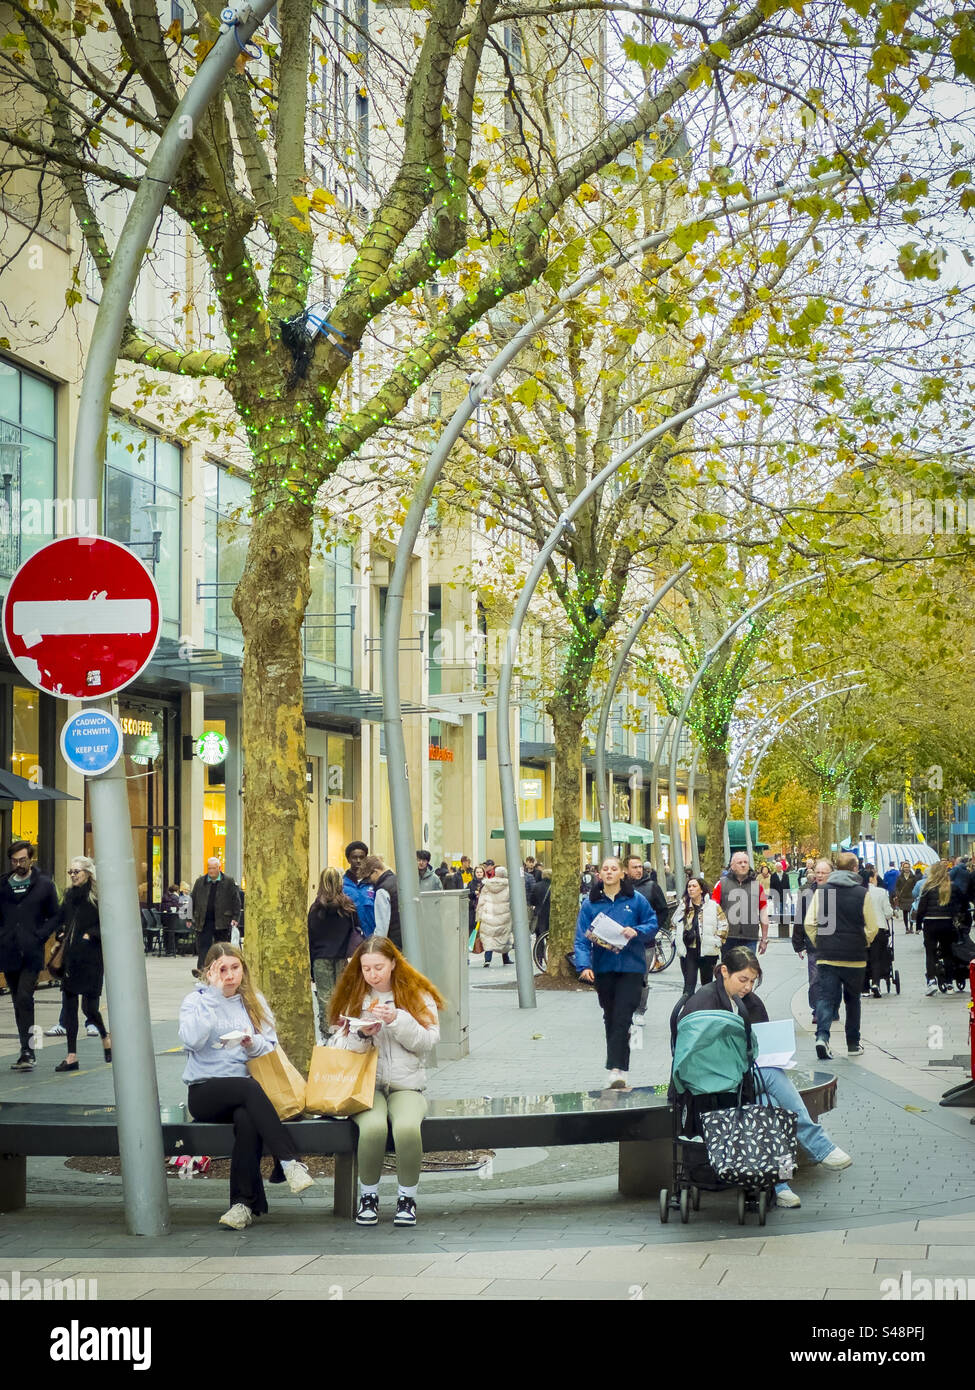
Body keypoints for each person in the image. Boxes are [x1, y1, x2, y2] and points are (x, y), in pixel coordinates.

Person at [678, 947, 852, 1209]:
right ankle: (816, 1148)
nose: (748, 987)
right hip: (709, 1085)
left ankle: (779, 1183)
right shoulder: (703, 1003)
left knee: (769, 1101)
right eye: (743, 980)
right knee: (771, 1077)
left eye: (752, 981)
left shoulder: (751, 1003)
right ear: (724, 971)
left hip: (741, 1083)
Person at [178, 943, 316, 1229]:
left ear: (243, 968)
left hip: (243, 1095)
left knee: (246, 1118)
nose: (229, 975)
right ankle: (289, 1161)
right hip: (205, 1091)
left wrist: (251, 1042)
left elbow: (269, 1045)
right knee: (249, 1089)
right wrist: (214, 996)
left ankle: (243, 1206)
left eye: (235, 968)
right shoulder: (196, 1001)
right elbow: (192, 1040)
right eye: (222, 969)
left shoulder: (253, 1001)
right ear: (208, 972)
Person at [328, 937, 445, 1227]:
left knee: (406, 1128)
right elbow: (337, 1048)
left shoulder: (415, 994)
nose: (372, 974)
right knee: (373, 1127)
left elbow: (428, 1041)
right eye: (366, 968)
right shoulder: (353, 997)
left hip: (407, 1084)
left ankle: (407, 1198)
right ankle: (368, 1197)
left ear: (393, 963)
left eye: (378, 967)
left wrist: (397, 1020)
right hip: (366, 1085)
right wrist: (362, 1034)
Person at [574, 855, 656, 1089]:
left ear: (622, 873)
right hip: (604, 968)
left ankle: (617, 1069)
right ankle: (618, 1065)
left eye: (614, 869)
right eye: (605, 869)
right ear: (600, 874)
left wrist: (636, 931)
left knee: (622, 1015)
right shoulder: (590, 904)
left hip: (631, 968)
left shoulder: (636, 900)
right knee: (611, 1017)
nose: (609, 873)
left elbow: (653, 923)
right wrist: (584, 966)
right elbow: (581, 938)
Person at [804, 851, 881, 1060]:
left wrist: (820, 943)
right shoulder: (861, 893)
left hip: (827, 955)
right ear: (856, 869)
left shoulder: (822, 892)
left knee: (826, 998)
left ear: (836, 869)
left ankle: (822, 1037)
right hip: (854, 957)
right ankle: (853, 1043)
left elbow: (809, 923)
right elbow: (872, 927)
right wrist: (862, 941)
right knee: (853, 999)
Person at [0, 840, 59, 1071]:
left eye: (22, 860)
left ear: (31, 858)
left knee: (25, 998)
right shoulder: (3, 884)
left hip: (32, 951)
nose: (18, 864)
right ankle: (26, 1049)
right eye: (14, 861)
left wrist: (41, 935)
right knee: (17, 1000)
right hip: (8, 950)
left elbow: (55, 915)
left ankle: (30, 1049)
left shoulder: (43, 884)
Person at [52, 857, 111, 1072]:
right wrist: (59, 933)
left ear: (88, 873)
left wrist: (90, 935)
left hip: (91, 959)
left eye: (77, 871)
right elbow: (60, 919)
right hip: (71, 958)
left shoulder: (97, 896)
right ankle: (71, 1055)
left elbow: (107, 923)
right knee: (69, 1007)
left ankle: (105, 1036)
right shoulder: (69, 896)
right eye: (71, 872)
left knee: (89, 1008)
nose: (73, 875)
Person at [308, 867, 362, 1037]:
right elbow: (356, 930)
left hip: (320, 957)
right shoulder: (347, 906)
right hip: (342, 956)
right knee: (343, 994)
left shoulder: (316, 908)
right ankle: (344, 1027)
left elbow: (310, 938)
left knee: (325, 997)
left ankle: (327, 1030)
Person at [626, 854, 671, 1027]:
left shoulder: (651, 887)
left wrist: (652, 929)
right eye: (634, 867)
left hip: (645, 942)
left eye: (640, 867)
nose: (638, 870)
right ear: (626, 869)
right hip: (622, 942)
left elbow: (663, 910)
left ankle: (639, 1010)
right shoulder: (620, 887)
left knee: (642, 977)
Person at [916, 859, 971, 996]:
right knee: (948, 953)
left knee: (930, 953)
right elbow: (964, 903)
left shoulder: (927, 887)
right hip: (947, 923)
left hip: (930, 923)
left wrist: (918, 925)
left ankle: (931, 982)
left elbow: (921, 909)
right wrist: (961, 915)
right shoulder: (953, 887)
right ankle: (949, 983)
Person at [792, 858, 832, 1023]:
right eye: (818, 872)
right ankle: (817, 1010)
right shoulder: (807, 894)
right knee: (815, 978)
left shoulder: (838, 893)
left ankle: (831, 1007)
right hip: (813, 943)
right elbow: (800, 918)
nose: (820, 875)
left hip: (835, 944)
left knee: (832, 979)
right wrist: (798, 943)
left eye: (824, 872)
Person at [673, 875, 725, 996]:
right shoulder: (683, 907)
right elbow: (673, 924)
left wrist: (717, 941)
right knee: (688, 987)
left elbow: (724, 924)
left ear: (701, 889)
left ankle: (705, 1010)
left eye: (694, 886)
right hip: (689, 951)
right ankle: (688, 1011)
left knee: (707, 986)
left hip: (708, 951)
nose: (691, 889)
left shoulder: (713, 906)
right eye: (689, 886)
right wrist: (674, 940)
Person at [712, 851, 769, 956]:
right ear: (732, 866)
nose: (743, 865)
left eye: (746, 862)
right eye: (740, 862)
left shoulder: (757, 886)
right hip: (727, 937)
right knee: (729, 969)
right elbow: (712, 910)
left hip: (750, 937)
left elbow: (763, 912)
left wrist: (764, 939)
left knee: (748, 970)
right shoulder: (721, 884)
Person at [191, 858, 242, 971]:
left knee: (221, 947)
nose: (211, 871)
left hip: (222, 921)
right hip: (203, 921)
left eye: (214, 868)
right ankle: (202, 971)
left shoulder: (229, 881)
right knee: (204, 948)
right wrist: (190, 918)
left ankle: (221, 969)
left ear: (219, 868)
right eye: (209, 868)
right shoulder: (200, 882)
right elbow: (192, 899)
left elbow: (236, 902)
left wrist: (235, 918)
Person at [864, 866, 896, 997]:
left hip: (862, 930)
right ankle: (876, 983)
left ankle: (864, 987)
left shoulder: (858, 892)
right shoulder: (881, 892)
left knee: (863, 957)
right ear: (871, 879)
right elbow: (888, 913)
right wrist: (892, 913)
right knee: (876, 957)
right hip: (879, 928)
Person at [476, 864, 513, 966]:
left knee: (489, 937)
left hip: (489, 915)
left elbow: (481, 901)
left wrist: (479, 914)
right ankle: (505, 958)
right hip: (504, 916)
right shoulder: (508, 886)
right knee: (504, 937)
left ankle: (487, 960)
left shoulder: (487, 885)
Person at [362, 855, 401, 950]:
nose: (369, 881)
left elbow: (382, 928)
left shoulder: (382, 890)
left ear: (376, 871)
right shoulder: (398, 881)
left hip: (393, 944)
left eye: (368, 877)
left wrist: (375, 948)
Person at [342, 842, 376, 937]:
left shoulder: (373, 883)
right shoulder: (342, 885)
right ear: (348, 859)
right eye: (354, 857)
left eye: (362, 857)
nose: (358, 861)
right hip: (350, 940)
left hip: (372, 938)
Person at [892, 862, 918, 933]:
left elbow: (916, 887)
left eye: (908, 867)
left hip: (911, 897)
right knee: (905, 913)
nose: (906, 868)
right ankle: (906, 927)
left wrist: (915, 895)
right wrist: (897, 894)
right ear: (903, 868)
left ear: (910, 868)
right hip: (903, 897)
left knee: (911, 913)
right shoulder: (899, 877)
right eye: (905, 867)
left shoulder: (913, 877)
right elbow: (897, 887)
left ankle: (911, 927)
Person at [529, 868, 552, 937]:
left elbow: (532, 900)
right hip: (550, 913)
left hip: (539, 914)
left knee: (539, 936)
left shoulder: (536, 886)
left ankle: (539, 947)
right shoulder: (555, 886)